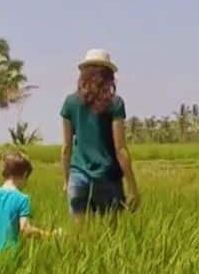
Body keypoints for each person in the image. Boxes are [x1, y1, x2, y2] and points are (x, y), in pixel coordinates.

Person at [60, 49, 140, 220]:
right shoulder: (115, 103)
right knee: (110, 240)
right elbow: (120, 149)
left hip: (78, 177)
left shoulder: (70, 102)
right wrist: (132, 186)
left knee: (80, 241)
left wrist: (67, 180)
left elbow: (66, 147)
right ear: (109, 75)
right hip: (108, 178)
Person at [0, 151, 55, 258]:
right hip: (12, 255)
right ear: (25, 174)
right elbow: (25, 229)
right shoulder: (22, 199)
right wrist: (48, 235)